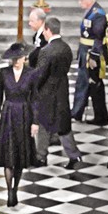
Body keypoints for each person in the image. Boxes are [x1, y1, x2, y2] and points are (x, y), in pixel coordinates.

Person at [34, 17, 83, 169]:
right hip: (62, 89)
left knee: (43, 123)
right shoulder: (66, 48)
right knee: (63, 124)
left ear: (48, 30)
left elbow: (40, 74)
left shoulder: (46, 51)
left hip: (47, 92)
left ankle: (41, 156)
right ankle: (74, 155)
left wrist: (34, 87)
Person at [0, 42, 37, 207]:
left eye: (19, 58)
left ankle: (15, 188)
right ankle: (10, 189)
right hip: (8, 114)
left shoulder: (31, 74)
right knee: (8, 154)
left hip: (24, 115)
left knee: (19, 155)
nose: (16, 61)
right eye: (14, 59)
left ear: (25, 58)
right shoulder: (4, 73)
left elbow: (35, 99)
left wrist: (35, 122)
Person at [71, 0, 108, 126]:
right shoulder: (90, 12)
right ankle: (78, 111)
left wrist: (93, 55)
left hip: (91, 53)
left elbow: (98, 37)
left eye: (81, 0)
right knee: (85, 83)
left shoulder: (98, 14)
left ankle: (79, 111)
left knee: (88, 83)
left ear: (89, 0)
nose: (79, 2)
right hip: (84, 50)